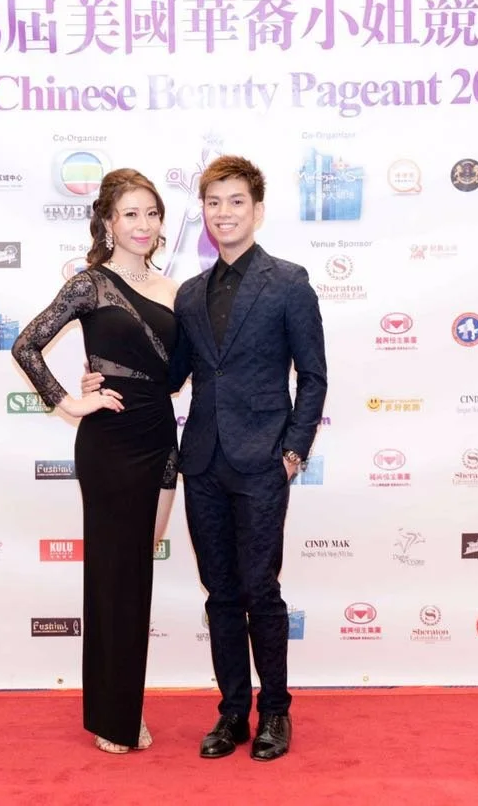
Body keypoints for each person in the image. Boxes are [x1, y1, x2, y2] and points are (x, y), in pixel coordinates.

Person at [83, 155, 327, 761]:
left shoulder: (288, 282)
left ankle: (275, 712)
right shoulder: (190, 294)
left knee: (260, 590)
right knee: (219, 593)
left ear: (257, 210)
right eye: (214, 203)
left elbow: (313, 376)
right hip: (203, 463)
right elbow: (168, 377)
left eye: (236, 201)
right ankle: (232, 713)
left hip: (264, 461)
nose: (224, 213)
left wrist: (293, 451)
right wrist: (101, 376)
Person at [11, 168, 179, 755]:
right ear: (108, 222)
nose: (143, 224)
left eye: (151, 213)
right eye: (130, 213)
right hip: (110, 443)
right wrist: (71, 401)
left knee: (138, 574)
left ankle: (126, 703)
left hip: (160, 438)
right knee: (112, 576)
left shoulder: (174, 291)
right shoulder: (90, 285)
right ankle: (113, 717)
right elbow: (26, 345)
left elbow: (176, 374)